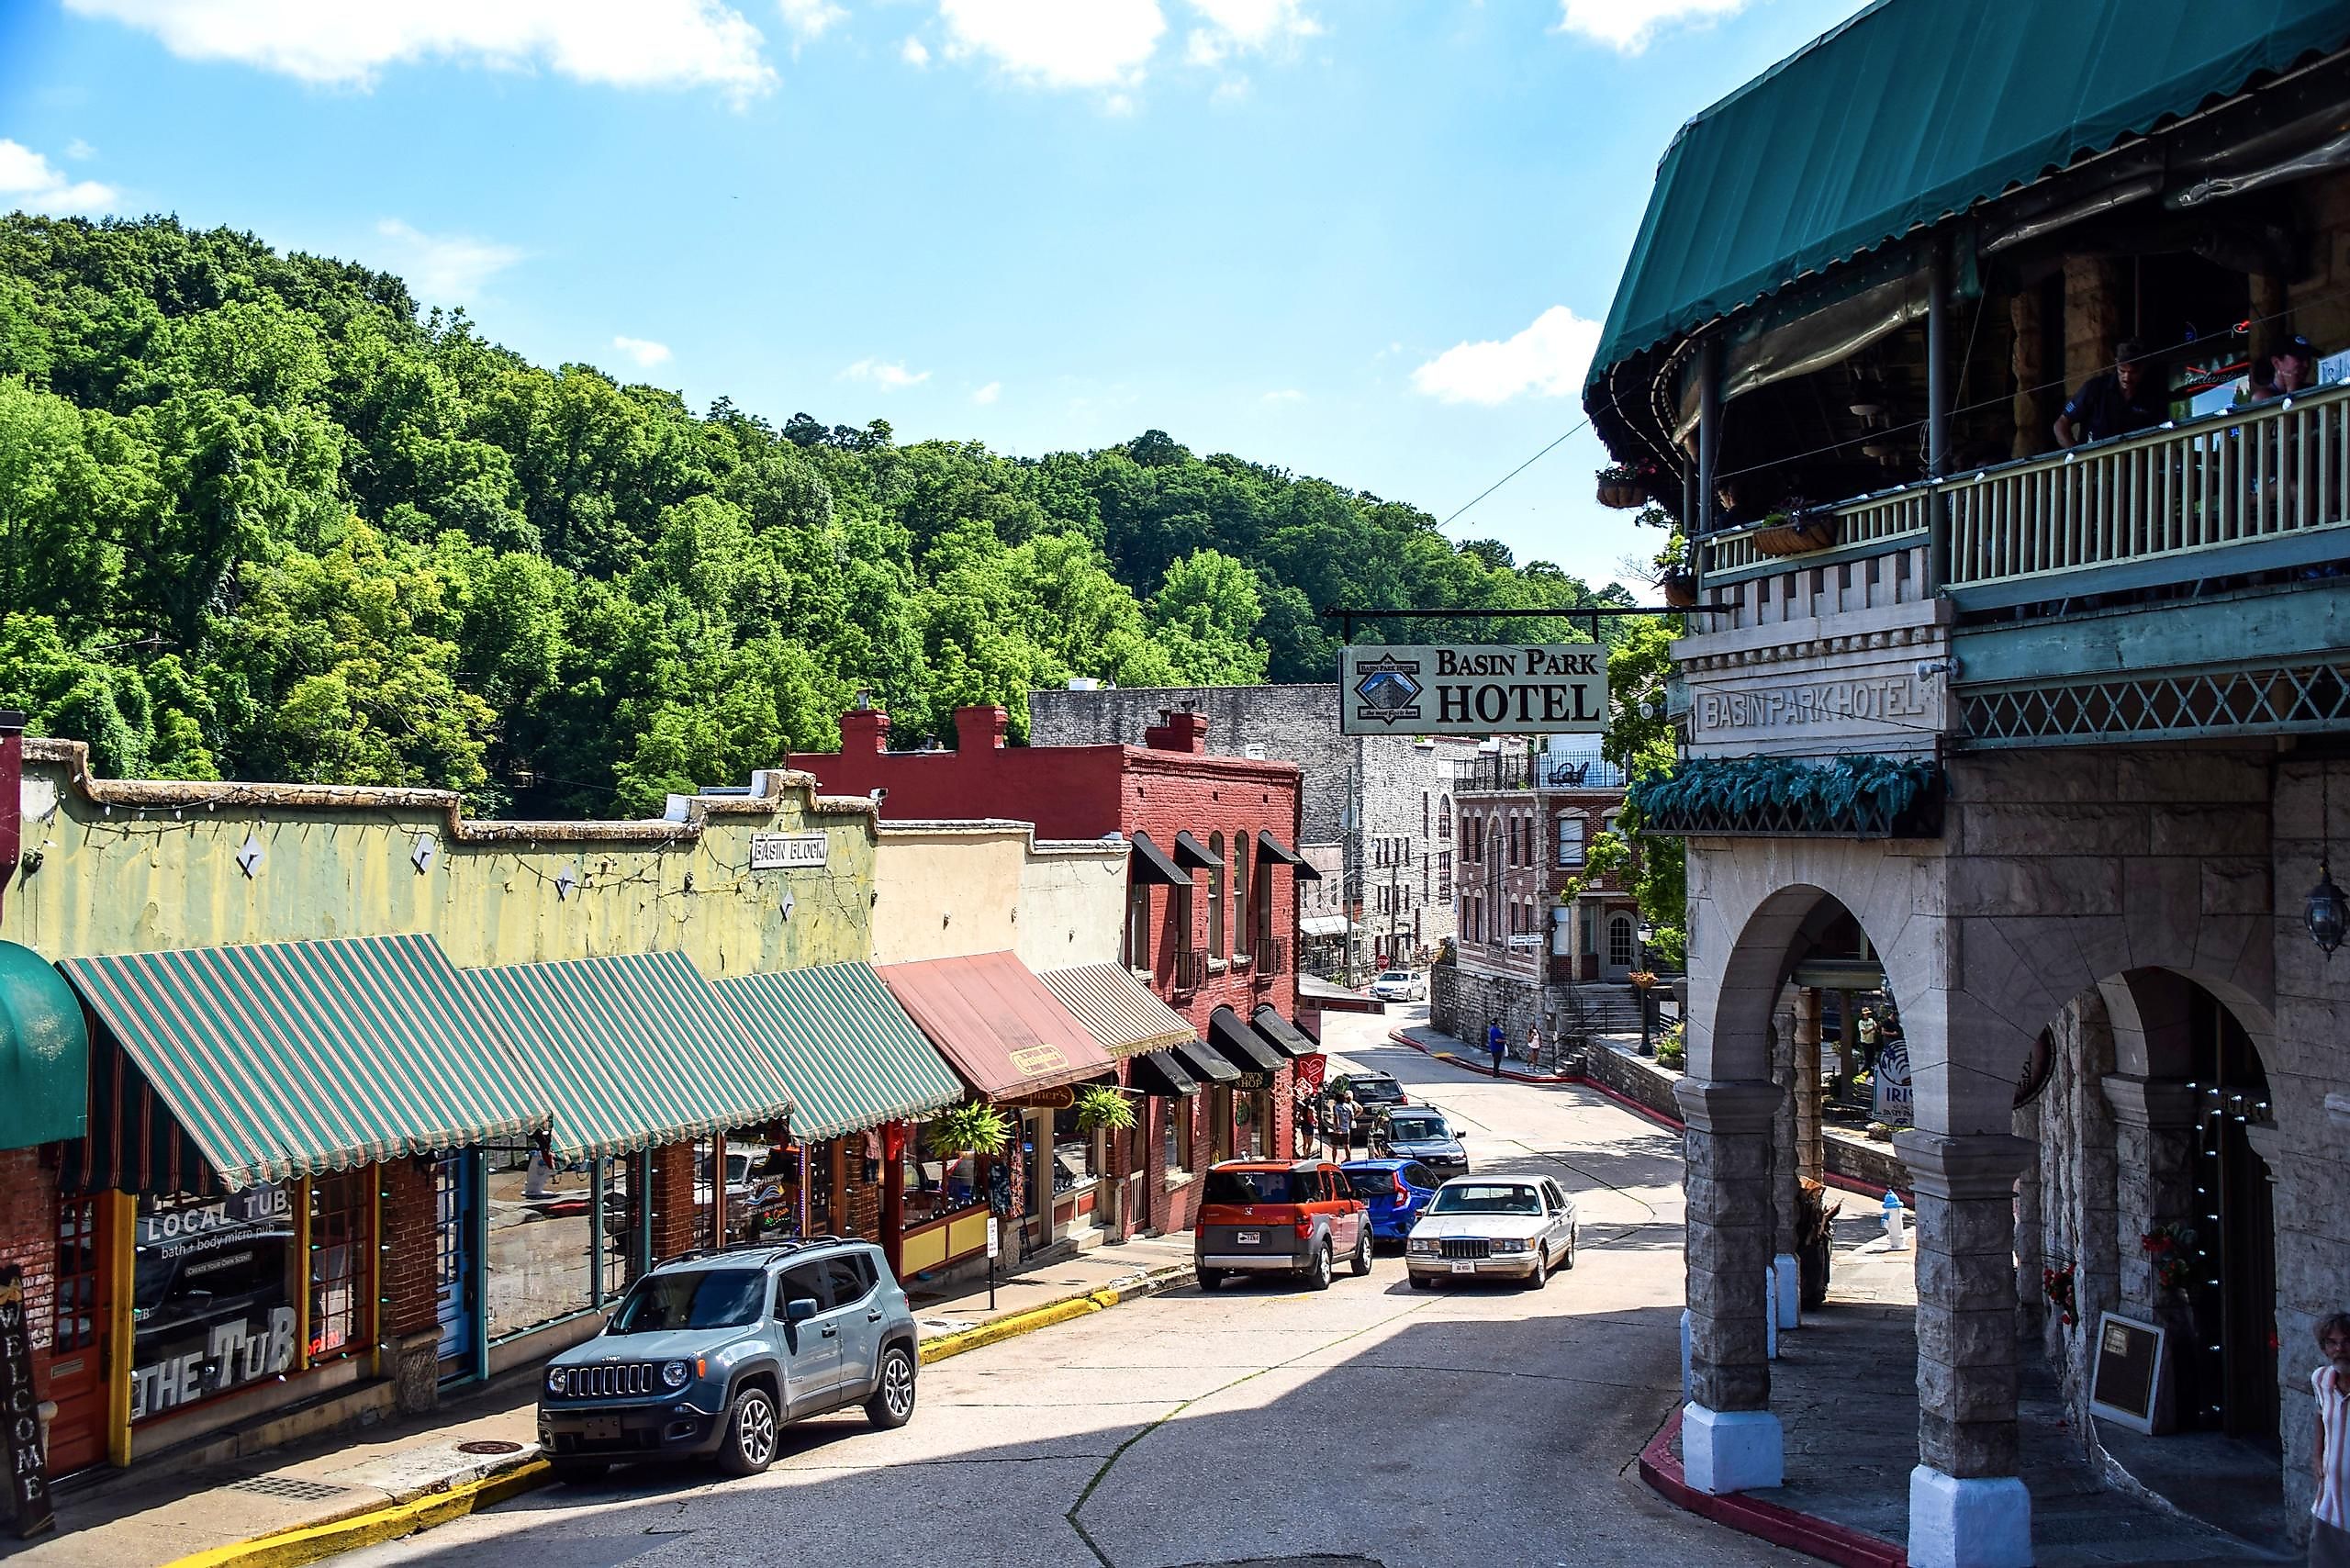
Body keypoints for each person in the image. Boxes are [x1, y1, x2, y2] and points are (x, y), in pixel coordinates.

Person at [2054, 339, 2163, 448]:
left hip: (2134, 461)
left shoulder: (2150, 395)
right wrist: (2077, 456)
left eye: (2133, 372)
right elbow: (2061, 425)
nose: (2127, 377)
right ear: (2116, 364)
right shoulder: (2095, 388)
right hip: (2094, 461)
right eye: (2122, 371)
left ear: (2143, 368)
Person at [2312, 1311, 2350, 1568]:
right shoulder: (2321, 1379)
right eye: (2332, 1343)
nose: (2340, 1349)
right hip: (2329, 1509)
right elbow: (2320, 1415)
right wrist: (2316, 1455)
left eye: (2347, 1341)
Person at [2253, 334, 2319, 402]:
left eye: (2308, 359)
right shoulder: (2262, 396)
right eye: (2300, 358)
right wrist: (2291, 390)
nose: (2306, 365)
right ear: (2277, 363)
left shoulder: (2311, 389)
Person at [1329, 1093, 1356, 1159]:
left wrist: (1338, 1128)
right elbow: (1352, 1117)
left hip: (1337, 1129)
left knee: (1335, 1147)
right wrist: (1348, 1123)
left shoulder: (1335, 1107)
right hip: (1346, 1129)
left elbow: (1336, 1117)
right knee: (1346, 1146)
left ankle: (1334, 1161)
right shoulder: (1349, 1106)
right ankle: (1349, 1160)